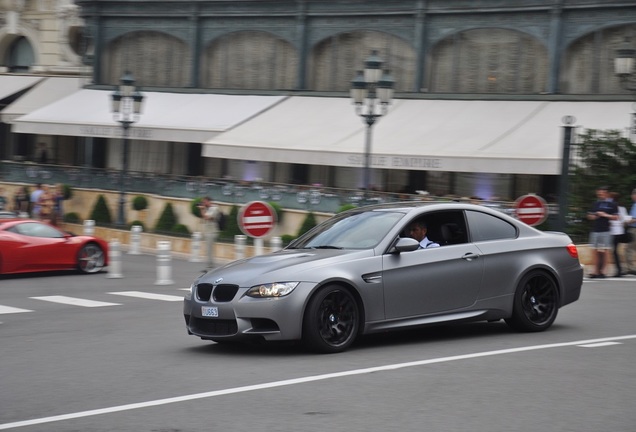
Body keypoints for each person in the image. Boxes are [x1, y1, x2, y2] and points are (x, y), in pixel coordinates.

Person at [587, 186, 618, 278]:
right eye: (599, 193)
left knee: (606, 251)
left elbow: (616, 217)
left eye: (602, 193)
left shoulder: (612, 204)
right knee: (594, 250)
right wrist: (593, 216)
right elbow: (589, 215)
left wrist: (605, 215)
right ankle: (595, 270)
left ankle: (604, 270)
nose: (600, 195)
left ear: (606, 193)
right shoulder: (595, 204)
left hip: (606, 230)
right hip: (595, 230)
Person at [609, 192, 629, 277]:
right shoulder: (622, 208)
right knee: (615, 251)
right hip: (619, 231)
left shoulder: (612, 207)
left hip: (614, 232)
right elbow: (625, 219)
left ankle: (619, 270)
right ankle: (619, 269)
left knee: (614, 251)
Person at [199, 196, 219, 268]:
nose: (203, 203)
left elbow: (207, 217)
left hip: (212, 232)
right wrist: (203, 209)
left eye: (204, 202)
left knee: (209, 249)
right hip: (208, 232)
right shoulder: (208, 209)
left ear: (209, 201)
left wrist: (202, 209)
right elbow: (204, 217)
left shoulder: (214, 208)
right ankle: (209, 265)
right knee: (207, 249)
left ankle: (210, 266)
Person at [626, 188, 636, 275]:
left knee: (630, 249)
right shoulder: (634, 205)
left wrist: (628, 221)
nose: (632, 196)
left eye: (633, 195)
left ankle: (631, 268)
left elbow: (634, 219)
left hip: (634, 229)